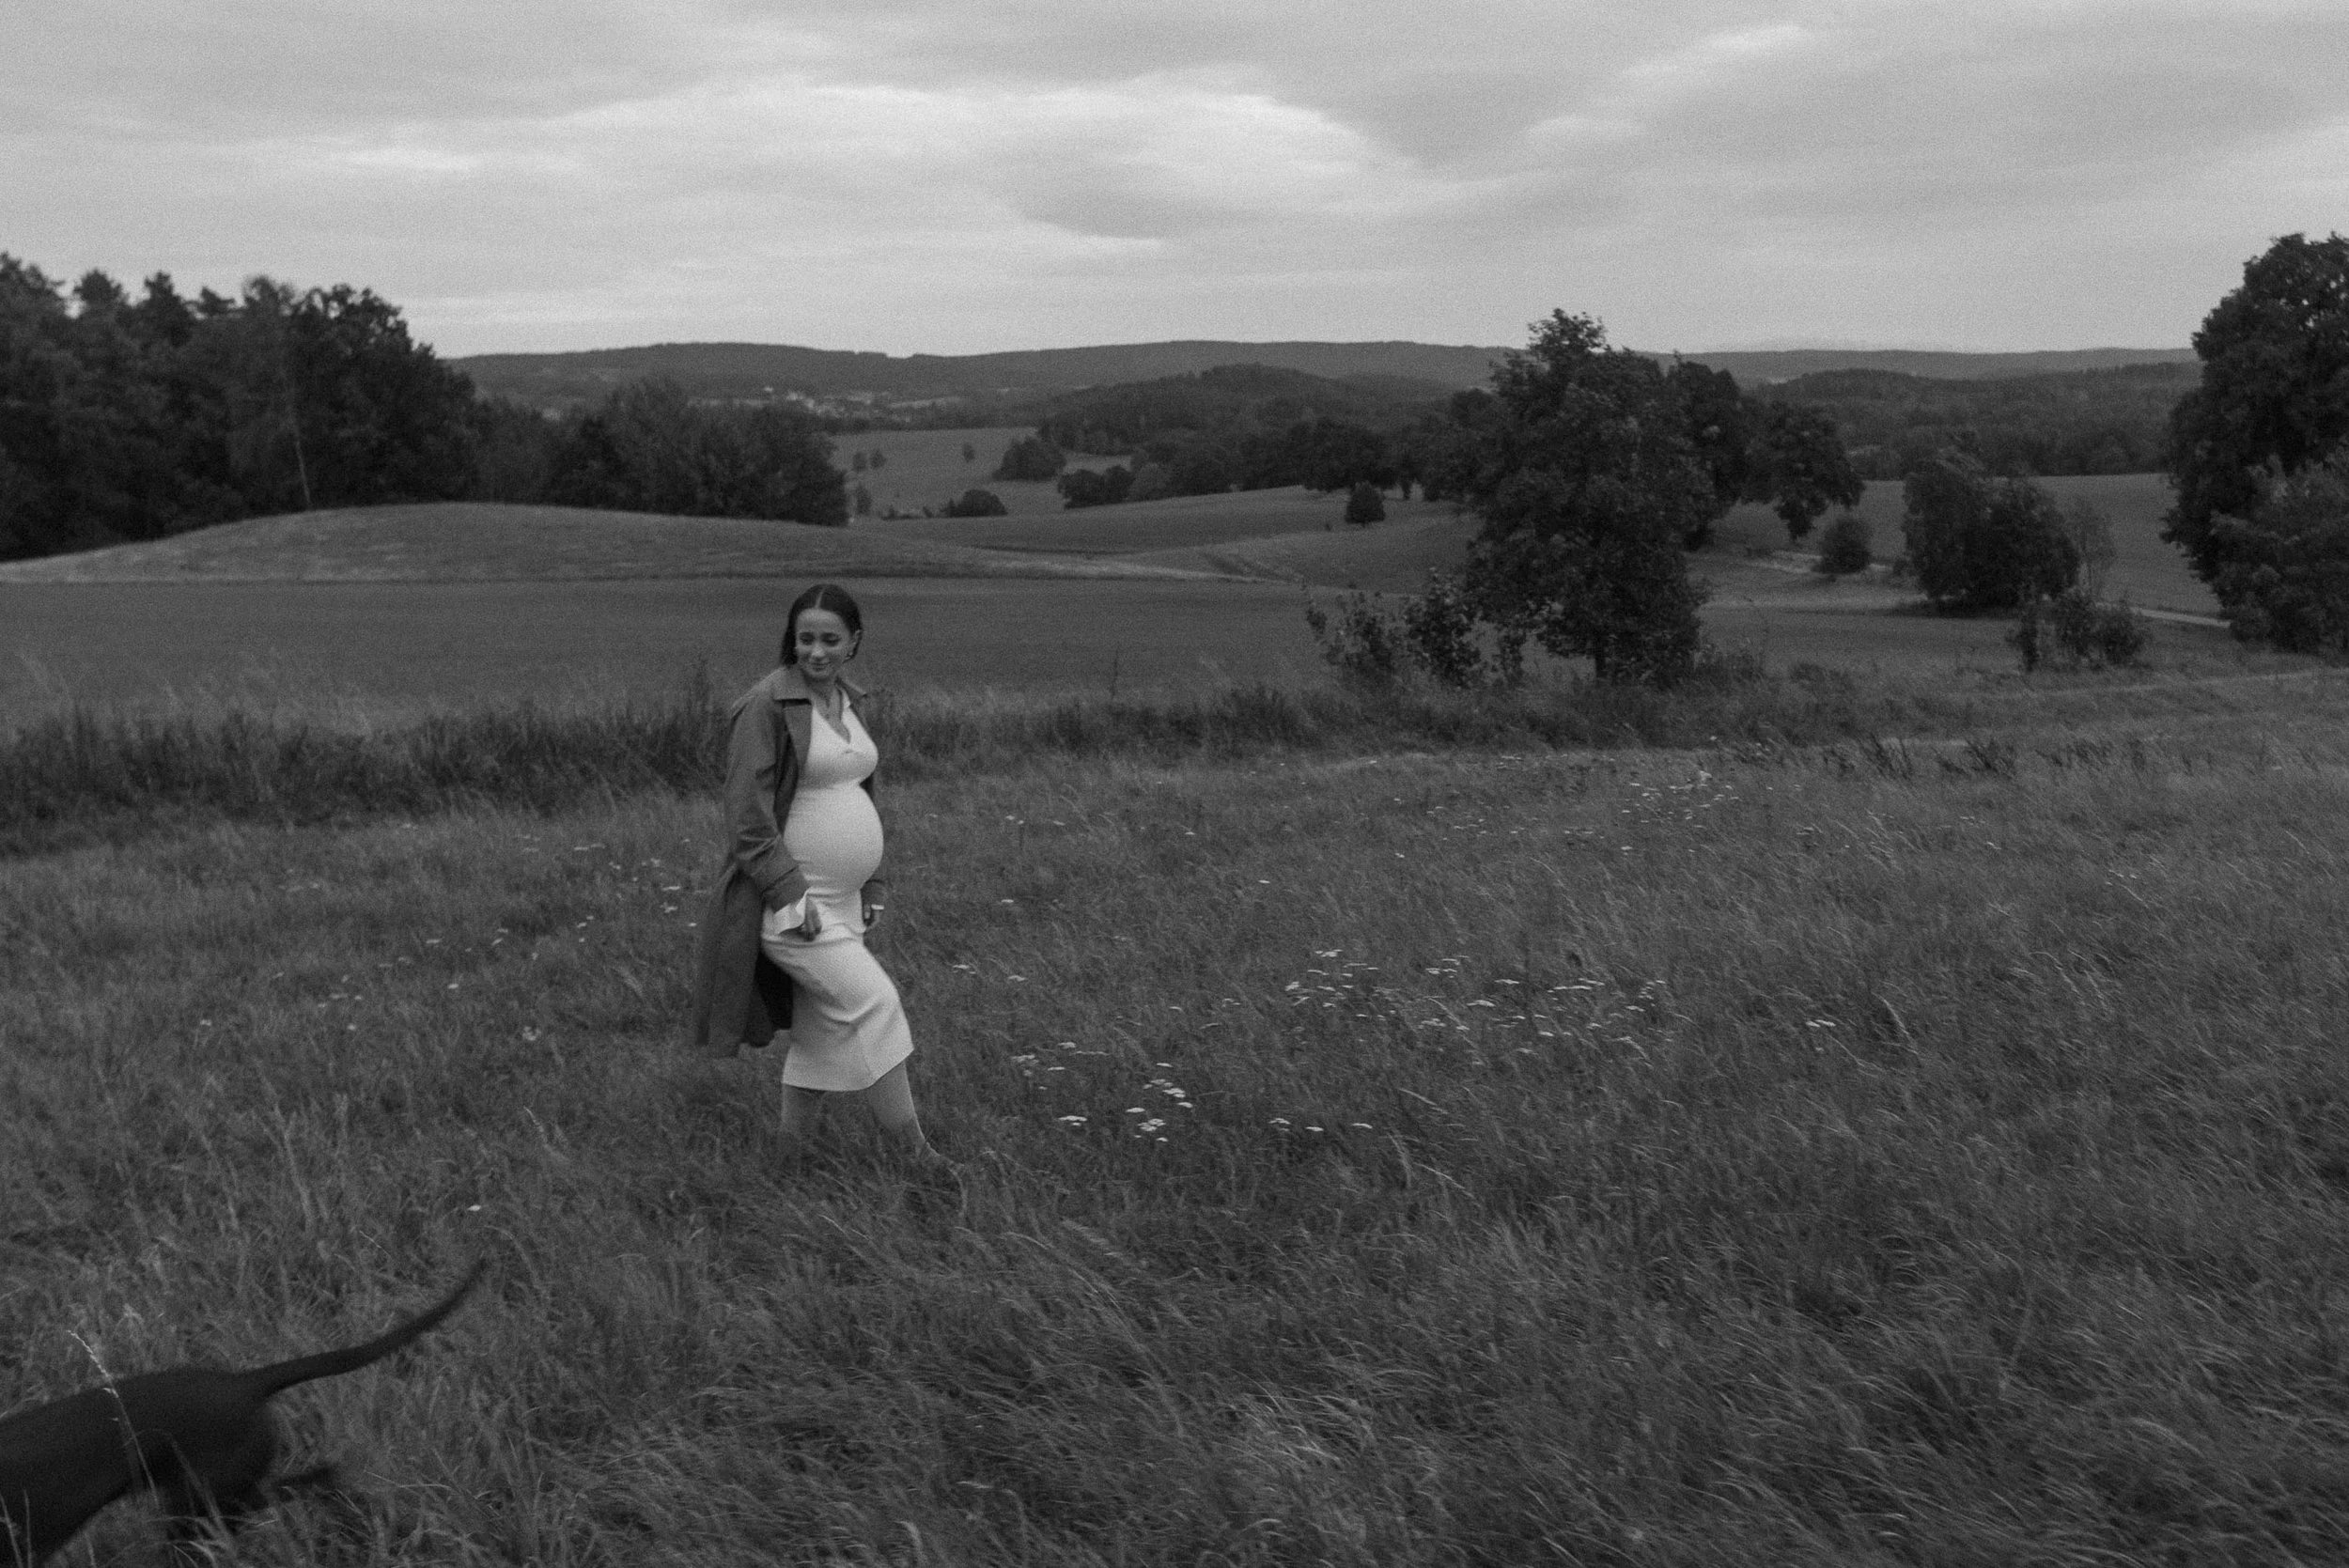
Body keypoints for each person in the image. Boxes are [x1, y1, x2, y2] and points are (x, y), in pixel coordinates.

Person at [687, 582, 951, 1178]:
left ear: (854, 641)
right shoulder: (766, 705)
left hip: (845, 899)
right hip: (791, 907)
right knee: (876, 1002)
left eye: (830, 640)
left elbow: (861, 794)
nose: (816, 651)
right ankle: (920, 1162)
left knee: (820, 1037)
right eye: (805, 638)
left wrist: (873, 882)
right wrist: (789, 893)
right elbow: (747, 817)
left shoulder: (848, 701)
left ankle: (788, 1163)